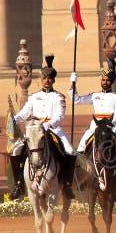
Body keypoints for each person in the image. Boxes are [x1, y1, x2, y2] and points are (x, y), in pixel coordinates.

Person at [9, 55, 76, 199]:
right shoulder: (33, 97)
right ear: (41, 80)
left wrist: (46, 125)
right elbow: (25, 113)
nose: (47, 80)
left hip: (53, 128)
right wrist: (14, 119)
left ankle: (68, 185)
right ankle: (18, 185)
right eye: (45, 78)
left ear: (53, 80)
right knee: (15, 151)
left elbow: (59, 116)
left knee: (70, 151)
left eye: (49, 78)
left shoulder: (59, 97)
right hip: (34, 130)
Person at [70, 62, 116, 194]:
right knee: (81, 147)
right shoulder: (94, 95)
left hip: (112, 126)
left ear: (111, 82)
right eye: (103, 79)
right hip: (95, 126)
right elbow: (77, 100)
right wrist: (73, 84)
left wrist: (110, 123)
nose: (105, 82)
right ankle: (81, 178)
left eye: (107, 80)